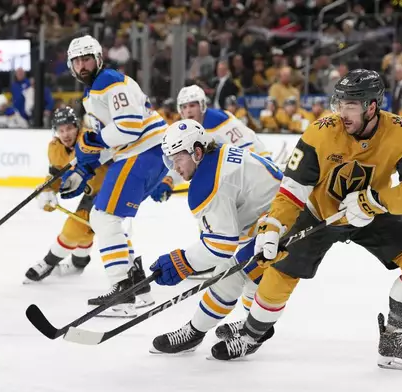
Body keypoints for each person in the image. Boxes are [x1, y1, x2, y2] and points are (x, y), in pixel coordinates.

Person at [211, 69, 402, 372]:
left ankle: (395, 338)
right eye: (339, 104)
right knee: (281, 272)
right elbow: (292, 190)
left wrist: (374, 201)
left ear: (372, 107)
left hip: (372, 211)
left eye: (351, 107)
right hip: (319, 211)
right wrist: (272, 226)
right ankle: (253, 334)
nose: (342, 113)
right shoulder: (320, 132)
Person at [148, 119, 282, 354]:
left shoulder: (209, 182)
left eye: (177, 159)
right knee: (231, 274)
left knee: (243, 273)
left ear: (197, 152)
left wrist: (182, 262)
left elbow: (221, 245)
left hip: (285, 222)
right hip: (270, 219)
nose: (174, 167)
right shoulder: (214, 153)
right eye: (170, 160)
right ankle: (199, 331)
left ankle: (253, 335)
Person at [60, 35, 167, 317]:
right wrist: (82, 167)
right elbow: (109, 141)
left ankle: (123, 291)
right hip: (143, 154)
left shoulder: (109, 81)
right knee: (107, 218)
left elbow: (129, 128)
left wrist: (93, 141)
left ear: (98, 59)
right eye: (77, 61)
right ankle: (138, 289)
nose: (82, 66)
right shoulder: (94, 92)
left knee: (104, 217)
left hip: (142, 152)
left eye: (87, 59)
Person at [149, 84, 269, 205]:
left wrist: (264, 170)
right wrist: (169, 180)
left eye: (192, 105)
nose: (188, 110)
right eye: (184, 107)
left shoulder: (221, 121)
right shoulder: (183, 131)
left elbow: (249, 147)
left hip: (252, 178)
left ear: (202, 105)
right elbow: (183, 160)